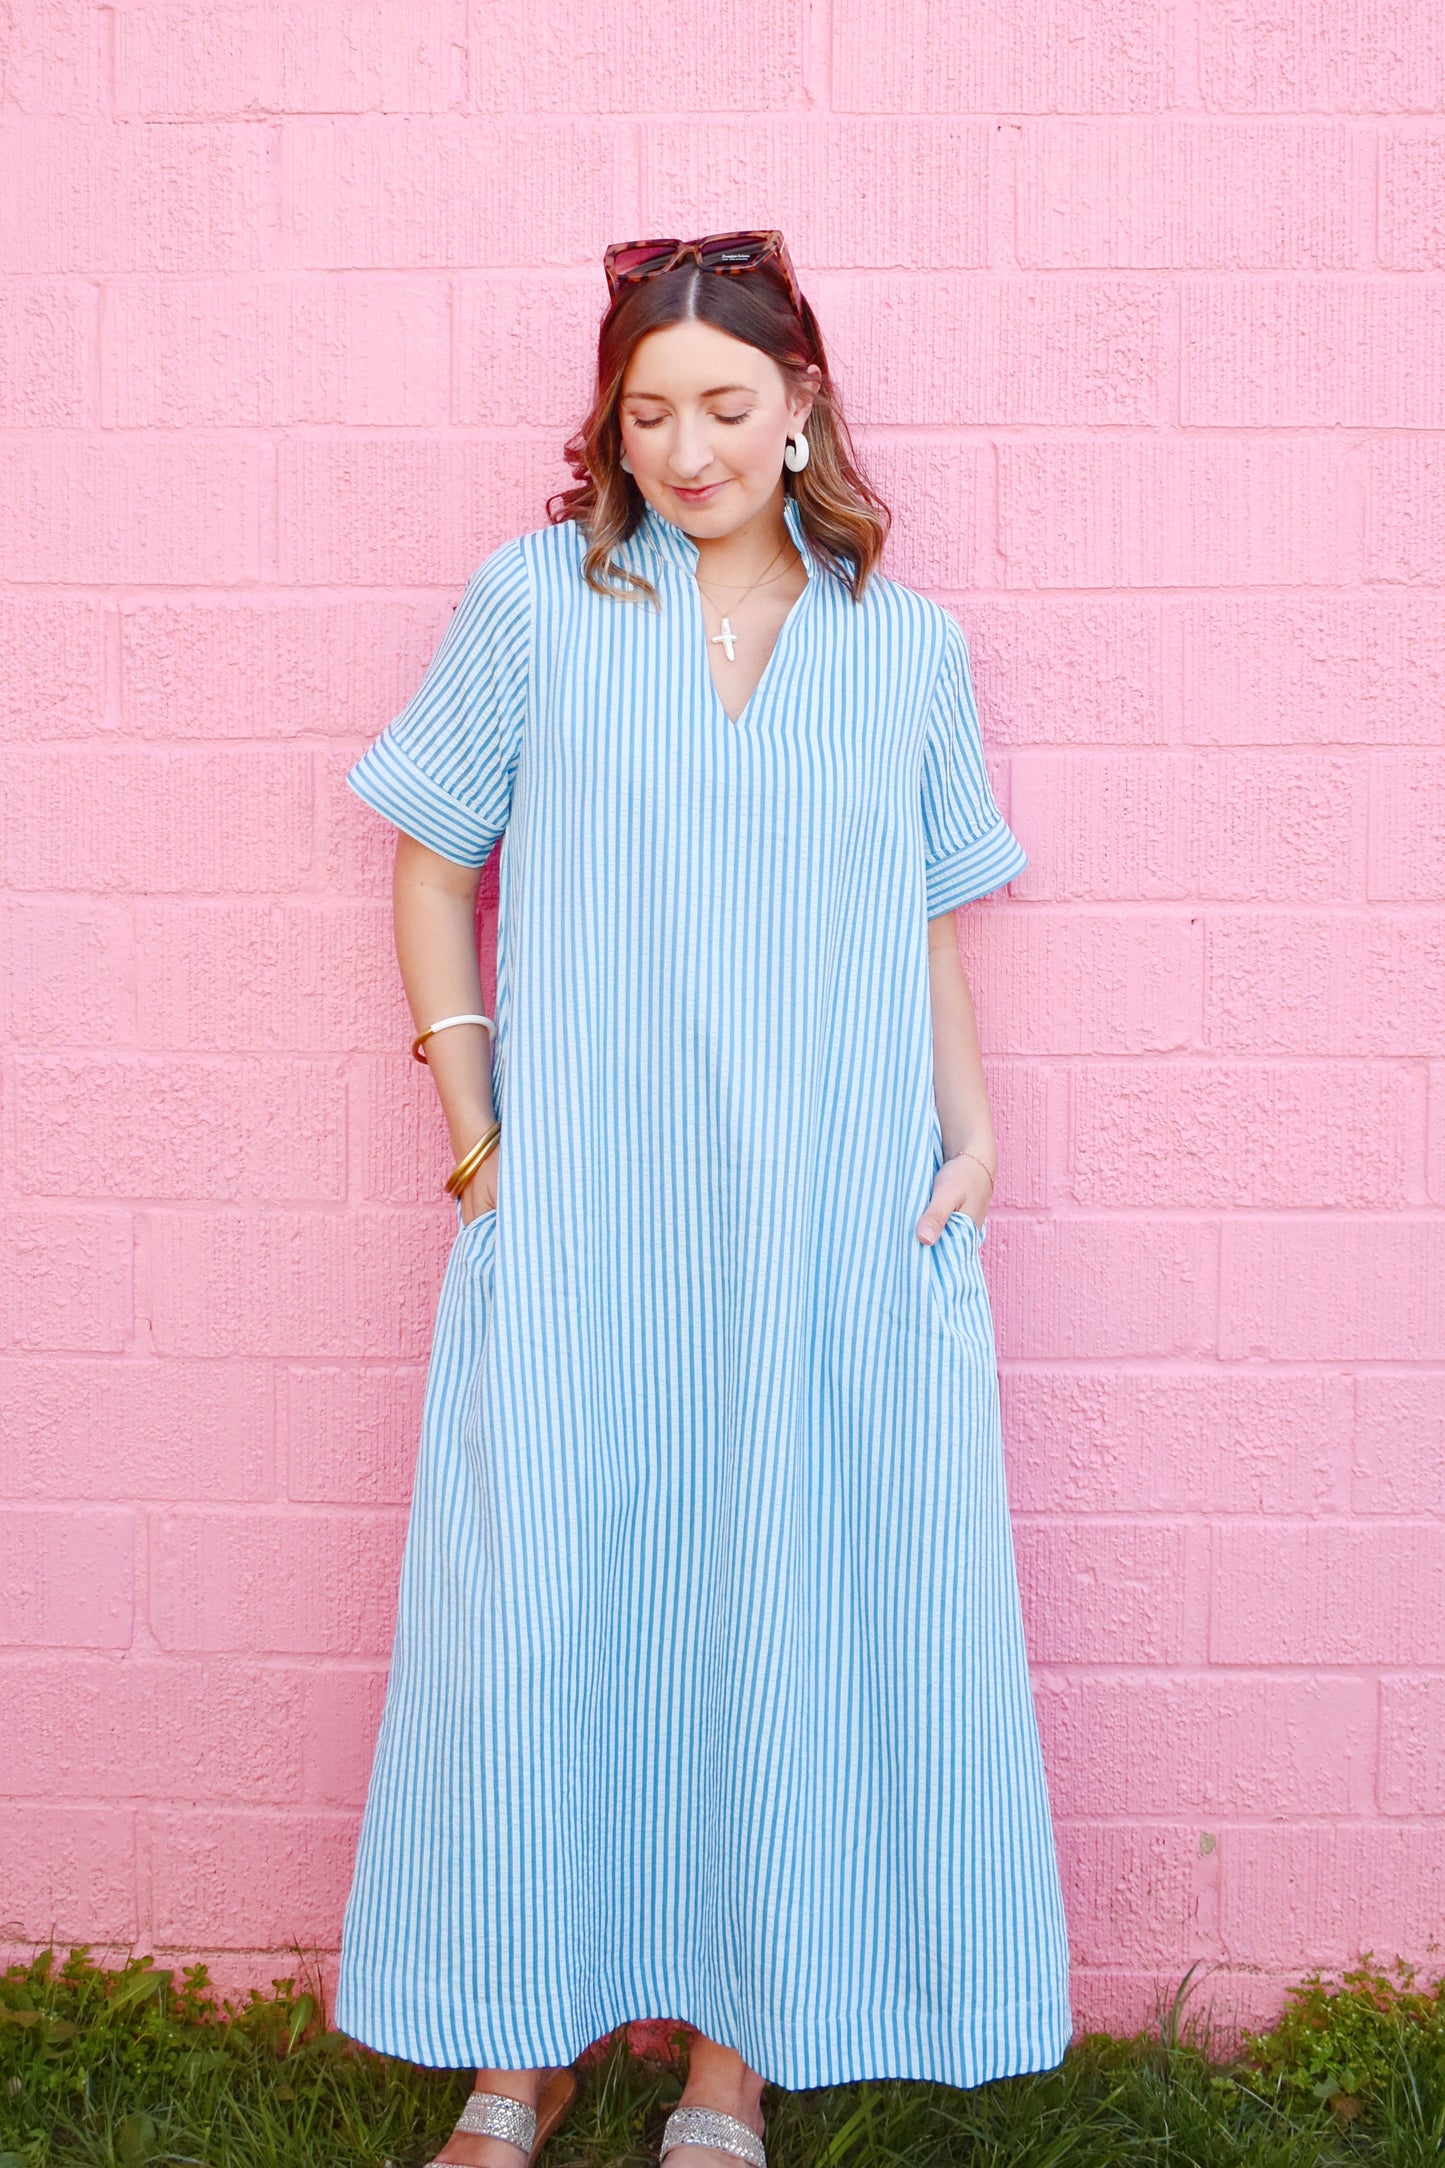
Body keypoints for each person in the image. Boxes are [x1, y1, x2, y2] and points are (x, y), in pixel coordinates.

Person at [339, 231, 1072, 2168]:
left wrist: (971, 1134)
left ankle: (732, 2060)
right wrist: (480, 1123)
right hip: (585, 1208)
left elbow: (914, 918)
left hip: (828, 1212)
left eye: (726, 406)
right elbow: (429, 857)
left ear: (804, 403)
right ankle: (520, 2044)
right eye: (648, 410)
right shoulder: (536, 603)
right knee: (546, 1611)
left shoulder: (904, 645)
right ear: (610, 423)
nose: (688, 445)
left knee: (782, 1604)